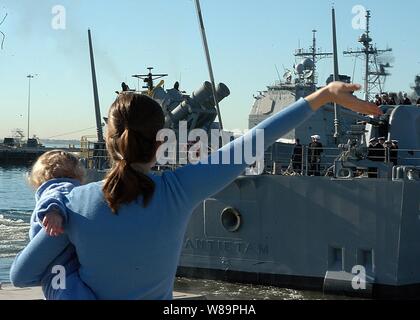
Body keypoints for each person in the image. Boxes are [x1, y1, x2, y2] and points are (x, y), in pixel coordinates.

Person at [10, 82, 381, 300]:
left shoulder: (72, 202)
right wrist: (321, 96)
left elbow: (22, 275)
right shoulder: (179, 191)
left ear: (108, 141)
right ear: (160, 142)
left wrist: (70, 280)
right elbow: (254, 142)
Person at [25, 150, 96, 300]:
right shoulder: (68, 187)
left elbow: (55, 196)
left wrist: (54, 211)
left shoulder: (52, 188)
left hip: (52, 257)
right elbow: (56, 196)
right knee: (71, 291)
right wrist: (54, 211)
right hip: (62, 255)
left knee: (61, 290)